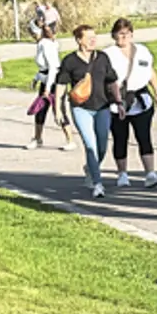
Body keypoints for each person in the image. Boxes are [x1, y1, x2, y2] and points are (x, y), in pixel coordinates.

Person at [56, 24, 119, 198]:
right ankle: (97, 184)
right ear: (79, 40)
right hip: (81, 108)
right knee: (90, 145)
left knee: (102, 146)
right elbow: (61, 86)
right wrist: (58, 110)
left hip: (102, 107)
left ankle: (91, 167)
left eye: (94, 36)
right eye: (88, 37)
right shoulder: (70, 61)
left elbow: (112, 80)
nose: (93, 40)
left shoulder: (102, 58)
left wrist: (119, 101)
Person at [105, 18, 157, 188]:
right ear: (114, 35)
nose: (123, 37)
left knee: (144, 136)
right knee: (120, 137)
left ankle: (150, 172)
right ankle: (122, 173)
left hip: (140, 99)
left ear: (131, 34)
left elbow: (150, 72)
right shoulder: (108, 54)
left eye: (127, 33)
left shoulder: (142, 51)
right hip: (118, 101)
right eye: (120, 33)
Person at [27, 21, 74, 151]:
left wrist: (48, 88)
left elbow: (53, 67)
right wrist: (36, 78)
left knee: (58, 109)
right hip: (45, 80)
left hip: (53, 81)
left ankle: (70, 139)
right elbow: (43, 67)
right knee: (40, 109)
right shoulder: (43, 44)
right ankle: (37, 138)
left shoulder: (46, 44)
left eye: (32, 32)